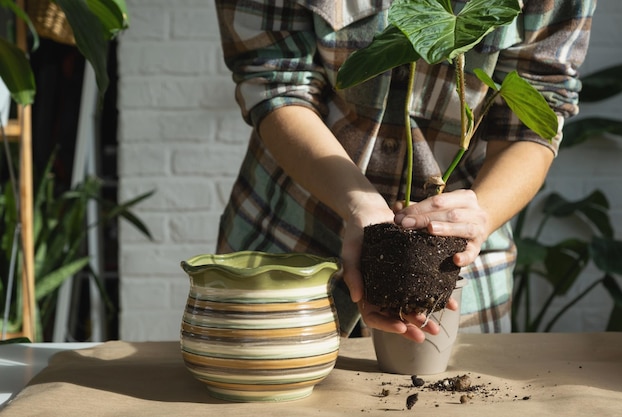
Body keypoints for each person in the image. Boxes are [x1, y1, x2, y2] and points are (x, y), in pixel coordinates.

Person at [214, 0, 597, 342]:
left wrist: (478, 216)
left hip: (459, 261)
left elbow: (538, 113)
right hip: (292, 239)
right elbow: (275, 81)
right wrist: (358, 203)